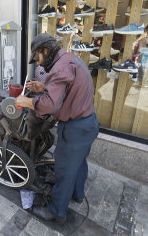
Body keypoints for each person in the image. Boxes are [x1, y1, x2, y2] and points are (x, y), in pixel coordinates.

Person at [15, 33, 99, 222]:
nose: (38, 62)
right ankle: (77, 194)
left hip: (75, 128)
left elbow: (50, 106)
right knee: (79, 163)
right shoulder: (70, 59)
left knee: (64, 171)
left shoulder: (60, 68)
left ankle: (56, 211)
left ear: (46, 50)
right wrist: (43, 87)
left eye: (38, 56)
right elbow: (67, 89)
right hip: (88, 124)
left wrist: (26, 100)